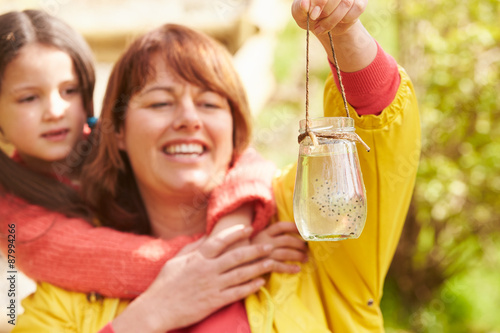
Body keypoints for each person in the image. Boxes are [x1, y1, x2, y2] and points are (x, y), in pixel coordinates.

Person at [13, 0, 421, 331]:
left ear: (235, 129)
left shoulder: (303, 236)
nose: (189, 118)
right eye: (159, 102)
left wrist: (344, 33)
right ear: (115, 131)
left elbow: (375, 129)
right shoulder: (65, 300)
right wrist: (150, 314)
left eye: (209, 103)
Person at [0, 9, 306, 302]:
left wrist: (233, 229)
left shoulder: (109, 136)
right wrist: (230, 255)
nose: (56, 111)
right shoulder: (8, 212)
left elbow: (243, 160)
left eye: (70, 91)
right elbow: (109, 262)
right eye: (28, 98)